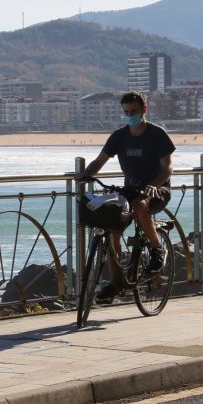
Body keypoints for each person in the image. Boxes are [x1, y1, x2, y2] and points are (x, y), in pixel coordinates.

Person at [75, 91, 175, 302]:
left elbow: (167, 168)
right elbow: (99, 161)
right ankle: (116, 283)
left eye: (134, 111)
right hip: (130, 190)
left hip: (157, 190)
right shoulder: (119, 136)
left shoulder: (157, 134)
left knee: (140, 206)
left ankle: (157, 249)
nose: (130, 116)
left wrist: (154, 185)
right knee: (112, 229)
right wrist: (85, 175)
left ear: (144, 110)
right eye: (126, 112)